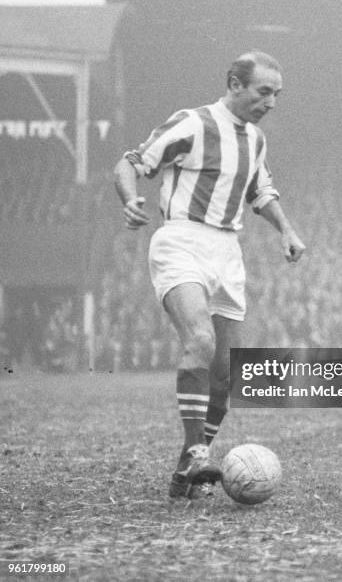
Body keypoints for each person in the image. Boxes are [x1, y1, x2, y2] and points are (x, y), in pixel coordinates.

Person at [114, 51, 306, 499]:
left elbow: (261, 192)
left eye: (277, 95)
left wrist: (286, 230)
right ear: (235, 84)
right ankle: (198, 453)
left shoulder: (255, 140)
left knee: (225, 375)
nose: (271, 102)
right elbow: (133, 162)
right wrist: (128, 198)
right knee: (199, 340)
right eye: (264, 91)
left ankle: (189, 465)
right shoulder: (193, 123)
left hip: (227, 250)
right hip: (181, 239)